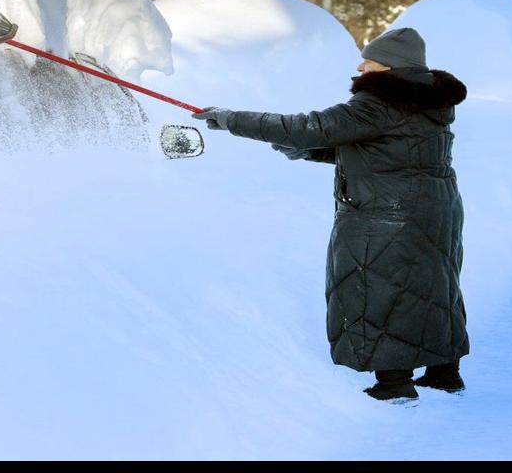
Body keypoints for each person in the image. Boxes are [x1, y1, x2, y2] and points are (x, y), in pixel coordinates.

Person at [192, 27, 469, 401]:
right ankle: (445, 373)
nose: (360, 67)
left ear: (390, 67)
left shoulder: (378, 103)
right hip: (436, 209)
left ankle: (394, 384)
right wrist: (307, 150)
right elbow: (386, 151)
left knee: (383, 291)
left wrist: (231, 119)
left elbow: (308, 127)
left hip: (385, 215)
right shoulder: (428, 101)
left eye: (369, 61)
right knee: (433, 289)